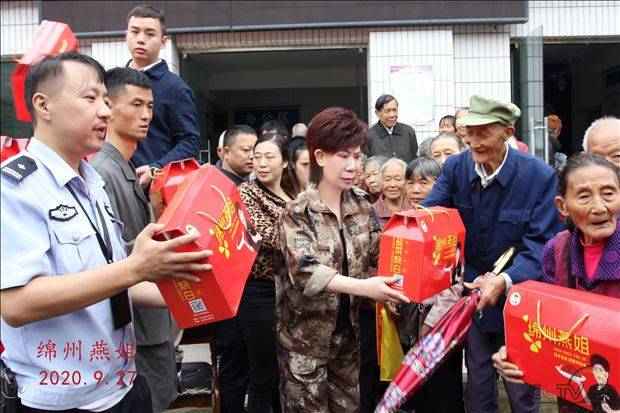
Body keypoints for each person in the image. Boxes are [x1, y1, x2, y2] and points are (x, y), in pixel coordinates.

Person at [0, 51, 211, 412]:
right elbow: (18, 304)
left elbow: (111, 278)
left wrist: (200, 293)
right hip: (63, 400)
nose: (105, 112)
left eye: (106, 100)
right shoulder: (15, 188)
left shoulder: (92, 182)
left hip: (124, 385)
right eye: (90, 98)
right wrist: (135, 268)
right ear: (43, 104)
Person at [422, 94, 563, 413]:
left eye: (484, 132)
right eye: (469, 132)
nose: (474, 140)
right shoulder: (457, 167)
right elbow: (433, 213)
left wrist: (506, 280)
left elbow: (542, 244)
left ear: (508, 133)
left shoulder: (538, 176)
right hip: (473, 295)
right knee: (478, 386)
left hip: (519, 298)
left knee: (520, 390)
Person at [276, 107, 409, 412]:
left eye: (358, 156)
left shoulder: (362, 206)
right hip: (304, 346)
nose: (353, 165)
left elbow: (380, 255)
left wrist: (395, 287)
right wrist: (367, 289)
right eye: (344, 156)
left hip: (348, 342)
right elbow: (306, 272)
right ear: (320, 157)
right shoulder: (297, 213)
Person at [493, 153, 620, 413]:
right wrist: (517, 354)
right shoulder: (557, 249)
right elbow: (549, 321)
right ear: (563, 206)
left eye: (609, 194)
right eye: (584, 196)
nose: (599, 207)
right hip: (576, 391)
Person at [90, 67, 177, 412]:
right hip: (136, 328)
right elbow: (112, 258)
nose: (146, 115)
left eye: (151, 107)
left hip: (150, 321)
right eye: (136, 104)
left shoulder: (128, 167)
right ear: (108, 107)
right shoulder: (101, 173)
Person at [235, 133, 297, 413]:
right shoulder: (246, 193)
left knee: (285, 371)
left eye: (269, 157)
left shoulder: (294, 195)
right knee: (263, 373)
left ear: (285, 162)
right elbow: (265, 234)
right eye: (256, 156)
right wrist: (307, 241)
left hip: (291, 290)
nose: (260, 163)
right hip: (258, 291)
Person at [125, 4, 201, 188]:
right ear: (126, 35)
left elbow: (190, 142)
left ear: (163, 41)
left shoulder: (175, 88)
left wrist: (156, 169)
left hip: (153, 191)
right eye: (135, 32)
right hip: (113, 181)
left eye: (150, 34)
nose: (141, 39)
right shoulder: (112, 81)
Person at [213, 124, 257, 412]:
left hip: (249, 292)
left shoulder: (249, 186)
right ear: (225, 152)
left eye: (257, 150)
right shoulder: (216, 187)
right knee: (235, 367)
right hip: (230, 293)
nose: (253, 157)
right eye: (245, 150)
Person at [365, 94, 418, 163]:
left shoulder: (408, 132)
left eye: (395, 110)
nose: (392, 115)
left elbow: (415, 161)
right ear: (377, 113)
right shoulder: (369, 136)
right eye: (387, 111)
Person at [372, 157, 411, 228]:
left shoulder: (414, 206)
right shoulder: (372, 212)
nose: (392, 184)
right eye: (387, 180)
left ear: (406, 181)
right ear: (381, 182)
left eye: (397, 179)